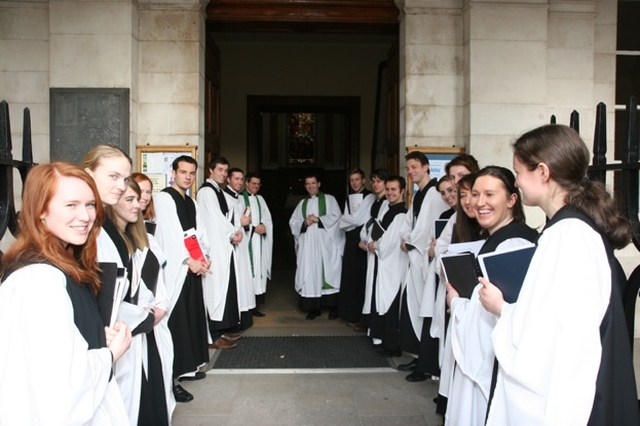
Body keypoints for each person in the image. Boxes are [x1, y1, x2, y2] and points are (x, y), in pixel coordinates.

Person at [480, 124, 640, 425]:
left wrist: (501, 307)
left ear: (542, 172)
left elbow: (549, 339)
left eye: (518, 172)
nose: (516, 182)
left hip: (572, 401)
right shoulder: (572, 227)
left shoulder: (568, 235)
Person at [0, 162, 132, 424]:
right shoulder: (40, 280)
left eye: (90, 204)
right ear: (40, 212)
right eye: (71, 205)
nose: (85, 216)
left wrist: (94, 336)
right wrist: (110, 354)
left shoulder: (63, 263)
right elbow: (63, 392)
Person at [443, 166, 538, 426]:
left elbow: (497, 315)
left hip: (494, 366)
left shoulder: (512, 245)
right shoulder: (496, 238)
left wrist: (457, 303)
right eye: (475, 194)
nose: (479, 202)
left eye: (490, 195)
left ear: (511, 200)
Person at [83, 145, 158, 419]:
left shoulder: (105, 224)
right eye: (113, 176)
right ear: (88, 172)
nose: (121, 186)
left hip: (116, 331)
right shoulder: (91, 226)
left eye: (125, 179)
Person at [402, 155, 481, 381]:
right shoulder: (452, 215)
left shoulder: (475, 212)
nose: (453, 188)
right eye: (452, 181)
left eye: (460, 178)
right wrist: (431, 249)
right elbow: (435, 244)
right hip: (445, 277)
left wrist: (433, 249)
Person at [109, 179, 175, 425]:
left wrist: (158, 306)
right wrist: (146, 314)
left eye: (144, 195)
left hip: (150, 321)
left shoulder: (141, 236)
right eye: (132, 198)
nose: (140, 202)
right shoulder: (108, 241)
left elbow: (151, 281)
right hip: (132, 328)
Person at [154, 155, 211, 403]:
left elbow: (197, 233)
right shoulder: (164, 198)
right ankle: (172, 379)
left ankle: (188, 367)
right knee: (177, 320)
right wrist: (188, 261)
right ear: (173, 173)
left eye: (191, 173)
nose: (187, 177)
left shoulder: (192, 201)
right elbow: (170, 235)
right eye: (183, 172)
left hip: (193, 267)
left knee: (190, 317)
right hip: (177, 269)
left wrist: (203, 256)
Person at [398, 151, 448, 361]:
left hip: (427, 257)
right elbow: (410, 222)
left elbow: (427, 228)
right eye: (408, 168)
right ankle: (419, 355)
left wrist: (409, 240)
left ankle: (425, 359)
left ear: (426, 167)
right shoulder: (418, 193)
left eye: (414, 167)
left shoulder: (435, 194)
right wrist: (405, 237)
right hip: (416, 256)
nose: (410, 171)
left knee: (425, 307)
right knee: (414, 304)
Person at [197, 157, 243, 349]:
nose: (224, 174)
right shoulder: (207, 192)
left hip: (222, 246)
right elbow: (216, 219)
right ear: (210, 170)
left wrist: (234, 230)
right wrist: (233, 231)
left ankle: (219, 331)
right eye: (220, 170)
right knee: (214, 290)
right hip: (214, 247)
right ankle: (212, 335)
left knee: (223, 288)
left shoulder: (217, 191)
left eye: (226, 170)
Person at [289, 174, 344, 319]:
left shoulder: (330, 199)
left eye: (313, 183)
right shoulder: (302, 203)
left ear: (319, 184)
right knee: (311, 273)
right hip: (308, 245)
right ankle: (314, 308)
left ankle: (333, 307)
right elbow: (293, 222)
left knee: (329, 272)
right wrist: (305, 222)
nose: (310, 186)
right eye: (307, 184)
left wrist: (319, 219)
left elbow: (337, 218)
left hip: (326, 244)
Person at [364, 175, 408, 356]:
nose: (390, 193)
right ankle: (383, 339)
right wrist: (371, 242)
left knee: (391, 302)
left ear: (402, 191)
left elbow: (390, 241)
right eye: (388, 189)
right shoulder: (387, 209)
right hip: (382, 262)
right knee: (382, 299)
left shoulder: (401, 213)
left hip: (393, 264)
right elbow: (374, 228)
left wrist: (375, 245)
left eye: (393, 190)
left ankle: (392, 346)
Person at [338, 168, 375, 324]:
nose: (354, 183)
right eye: (351, 180)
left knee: (360, 277)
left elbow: (355, 220)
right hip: (350, 240)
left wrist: (348, 220)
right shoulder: (348, 198)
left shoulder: (370, 197)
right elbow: (345, 223)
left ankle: (360, 316)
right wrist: (349, 220)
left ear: (363, 180)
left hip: (362, 240)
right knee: (349, 276)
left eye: (357, 179)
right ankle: (348, 313)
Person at [224, 167, 256, 330]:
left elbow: (245, 222)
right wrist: (239, 224)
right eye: (236, 179)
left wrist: (246, 224)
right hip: (232, 246)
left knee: (244, 278)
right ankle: (235, 318)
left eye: (241, 179)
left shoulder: (241, 199)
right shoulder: (223, 197)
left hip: (242, 245)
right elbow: (220, 224)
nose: (239, 182)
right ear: (228, 180)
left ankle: (245, 314)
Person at [359, 168, 389, 333]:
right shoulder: (376, 202)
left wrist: (372, 242)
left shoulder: (386, 202)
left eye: (379, 181)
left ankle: (374, 324)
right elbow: (369, 224)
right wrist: (364, 239)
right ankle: (368, 321)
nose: (376, 184)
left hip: (380, 251)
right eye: (374, 181)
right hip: (371, 247)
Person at [242, 172, 274, 317]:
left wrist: (263, 227)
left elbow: (268, 218)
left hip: (259, 242)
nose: (256, 186)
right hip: (247, 241)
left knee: (258, 270)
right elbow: (237, 220)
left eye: (258, 184)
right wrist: (254, 229)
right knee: (248, 271)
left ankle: (255, 304)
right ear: (246, 183)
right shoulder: (240, 198)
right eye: (253, 183)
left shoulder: (260, 199)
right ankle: (247, 305)